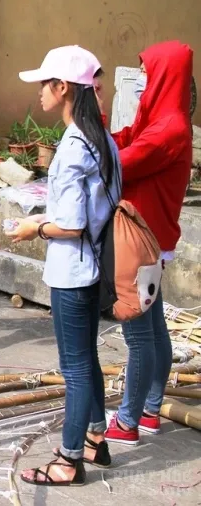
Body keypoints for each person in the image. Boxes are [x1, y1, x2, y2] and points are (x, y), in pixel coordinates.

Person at [8, 45, 121, 486]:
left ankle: (68, 461)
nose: (39, 92)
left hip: (73, 269)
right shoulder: (103, 139)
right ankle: (95, 439)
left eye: (45, 84)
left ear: (63, 88)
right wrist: (44, 218)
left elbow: (71, 226)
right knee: (86, 357)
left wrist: (33, 228)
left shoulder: (75, 146)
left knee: (74, 367)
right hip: (93, 264)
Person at [104, 41, 194, 446]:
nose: (141, 78)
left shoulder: (169, 128)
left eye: (146, 71)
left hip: (142, 241)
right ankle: (150, 410)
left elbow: (122, 161)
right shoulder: (159, 120)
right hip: (151, 236)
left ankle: (127, 421)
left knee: (138, 334)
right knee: (154, 328)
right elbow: (124, 139)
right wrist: (96, 125)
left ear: (164, 77)